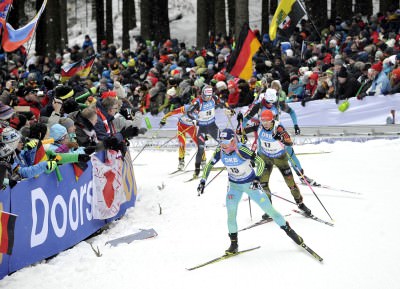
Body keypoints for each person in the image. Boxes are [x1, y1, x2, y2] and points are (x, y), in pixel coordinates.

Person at [196, 128, 304, 254]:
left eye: (226, 142)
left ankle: (293, 234)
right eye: (221, 142)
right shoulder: (220, 151)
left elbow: (260, 162)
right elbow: (209, 165)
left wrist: (257, 178)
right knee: (231, 215)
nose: (223, 146)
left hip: (250, 185)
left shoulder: (241, 149)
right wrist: (203, 181)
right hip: (234, 187)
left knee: (270, 210)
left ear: (233, 141)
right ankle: (234, 245)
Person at [242, 109, 312, 218]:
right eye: (263, 121)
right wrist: (239, 122)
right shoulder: (258, 126)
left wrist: (280, 138)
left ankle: (300, 204)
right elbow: (240, 131)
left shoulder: (278, 128)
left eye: (267, 121)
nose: (265, 123)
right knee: (263, 184)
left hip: (280, 158)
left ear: (272, 120)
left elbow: (289, 142)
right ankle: (269, 208)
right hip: (265, 158)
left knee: (291, 183)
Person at [241, 88, 318, 187]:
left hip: (278, 131)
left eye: (272, 103)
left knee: (290, 154)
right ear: (265, 99)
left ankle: (302, 176)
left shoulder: (278, 103)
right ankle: (257, 180)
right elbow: (245, 119)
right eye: (268, 103)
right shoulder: (258, 106)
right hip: (263, 133)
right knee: (261, 158)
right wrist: (242, 132)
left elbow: (292, 112)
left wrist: (296, 125)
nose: (270, 105)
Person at [187, 85, 225, 177]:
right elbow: (189, 112)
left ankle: (230, 162)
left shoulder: (214, 97)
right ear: (202, 94)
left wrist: (229, 110)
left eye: (209, 96)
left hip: (213, 127)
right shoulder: (198, 102)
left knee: (223, 143)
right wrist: (194, 119)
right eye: (206, 96)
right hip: (202, 128)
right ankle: (196, 171)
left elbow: (223, 103)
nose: (208, 98)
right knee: (200, 149)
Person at [160, 104, 206, 171]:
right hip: (181, 126)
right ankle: (181, 162)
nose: (197, 111)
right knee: (182, 143)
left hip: (191, 128)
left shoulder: (203, 112)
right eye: (196, 109)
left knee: (200, 143)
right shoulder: (187, 107)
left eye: (198, 109)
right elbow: (174, 111)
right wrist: (164, 118)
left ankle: (203, 161)